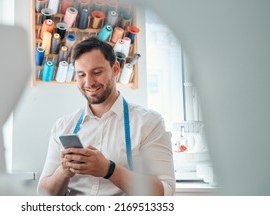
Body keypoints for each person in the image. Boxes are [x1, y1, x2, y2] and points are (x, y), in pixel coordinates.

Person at [37, 36, 175, 196]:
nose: (88, 82)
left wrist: (109, 170)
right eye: (81, 75)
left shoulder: (149, 123)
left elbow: (165, 192)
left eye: (97, 72)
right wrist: (64, 170)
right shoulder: (63, 126)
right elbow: (43, 194)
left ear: (116, 69)